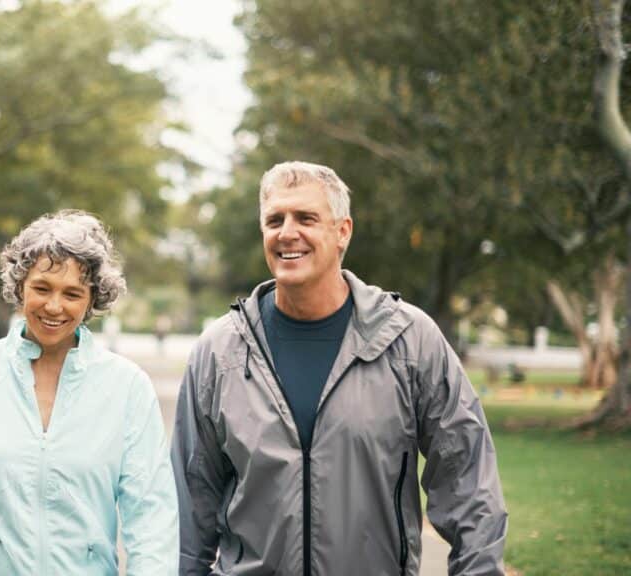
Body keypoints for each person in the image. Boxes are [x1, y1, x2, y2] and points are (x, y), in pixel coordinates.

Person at [171, 162, 507, 575]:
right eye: (274, 220)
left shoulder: (410, 340)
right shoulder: (218, 352)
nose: (287, 232)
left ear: (342, 231)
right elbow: (190, 504)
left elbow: (468, 482)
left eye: (306, 218)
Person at [0, 210, 178, 575]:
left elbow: (150, 518)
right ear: (20, 287)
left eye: (72, 293)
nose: (54, 306)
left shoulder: (128, 387)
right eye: (42, 288)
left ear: (93, 299)